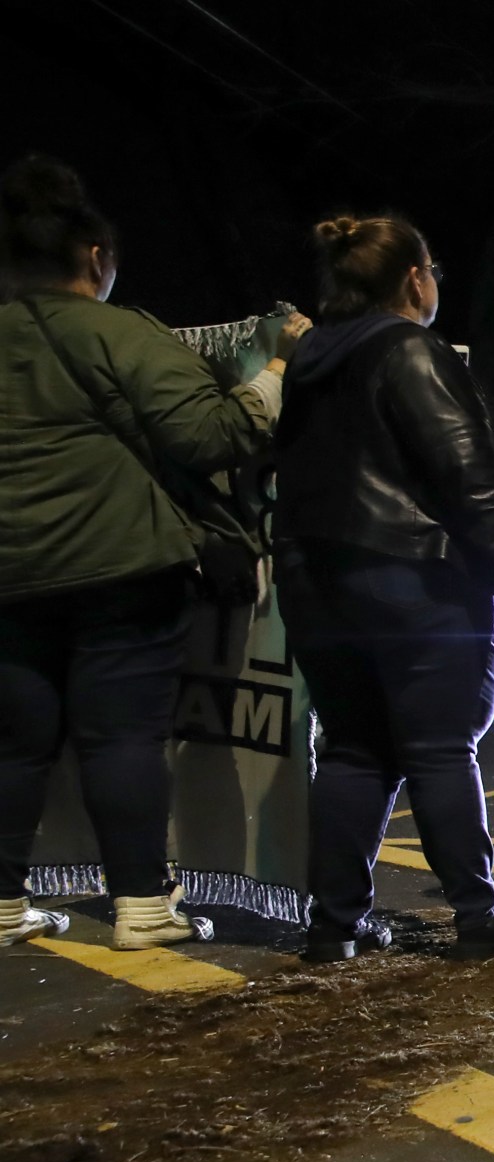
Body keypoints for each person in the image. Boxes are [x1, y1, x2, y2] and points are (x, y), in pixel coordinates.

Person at [0, 155, 300, 951]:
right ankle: (141, 907)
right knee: (120, 739)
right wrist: (272, 372)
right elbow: (208, 435)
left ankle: (0, 906)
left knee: (15, 743)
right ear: (94, 259)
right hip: (121, 568)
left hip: (8, 578)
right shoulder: (119, 332)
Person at [272, 215, 494, 962]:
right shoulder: (410, 349)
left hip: (316, 579)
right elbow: (467, 472)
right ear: (414, 278)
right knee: (440, 748)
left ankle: (334, 924)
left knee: (355, 750)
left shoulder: (308, 360)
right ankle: (476, 913)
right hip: (417, 577)